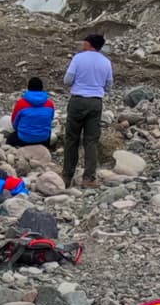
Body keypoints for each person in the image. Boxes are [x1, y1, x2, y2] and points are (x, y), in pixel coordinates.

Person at [63, 34, 113, 189]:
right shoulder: (106, 62)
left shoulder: (78, 58)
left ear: (89, 44)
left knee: (72, 138)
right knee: (91, 140)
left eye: (84, 42)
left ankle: (67, 175)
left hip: (78, 99)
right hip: (95, 101)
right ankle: (89, 177)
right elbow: (109, 85)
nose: (82, 44)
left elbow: (68, 80)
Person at [9, 77, 55, 148]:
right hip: (43, 139)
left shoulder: (21, 103)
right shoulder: (49, 104)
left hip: (24, 139)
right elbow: (50, 120)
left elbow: (14, 123)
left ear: (28, 88)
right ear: (41, 88)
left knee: (9, 139)